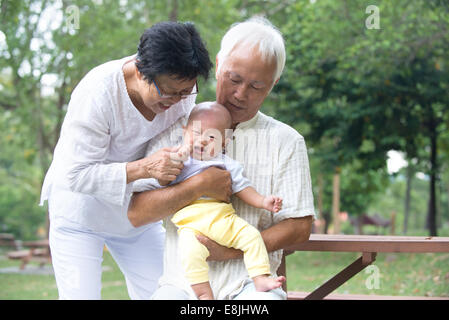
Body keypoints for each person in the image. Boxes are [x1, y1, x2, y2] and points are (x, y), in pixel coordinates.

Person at [128, 17, 315, 300]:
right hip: (181, 285)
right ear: (218, 66)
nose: (240, 94)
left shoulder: (286, 141)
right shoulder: (176, 128)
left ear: (273, 84)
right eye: (234, 79)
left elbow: (300, 226)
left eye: (256, 86)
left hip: (251, 285)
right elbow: (137, 213)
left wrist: (230, 251)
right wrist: (197, 185)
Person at [39, 21, 215, 300]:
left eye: (186, 92)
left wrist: (188, 148)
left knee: (175, 292)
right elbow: (75, 175)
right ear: (140, 70)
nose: (177, 101)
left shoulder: (180, 95)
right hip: (79, 214)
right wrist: (146, 168)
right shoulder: (98, 92)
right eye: (169, 92)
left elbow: (173, 144)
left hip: (134, 214)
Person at [138, 101, 285, 299]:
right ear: (185, 132)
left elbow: (243, 189)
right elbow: (163, 180)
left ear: (224, 142)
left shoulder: (226, 164)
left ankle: (260, 277)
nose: (203, 141)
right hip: (190, 225)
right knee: (191, 254)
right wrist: (179, 155)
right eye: (196, 133)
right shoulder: (180, 160)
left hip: (223, 221)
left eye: (212, 137)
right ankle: (203, 293)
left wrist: (263, 201)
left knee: (252, 236)